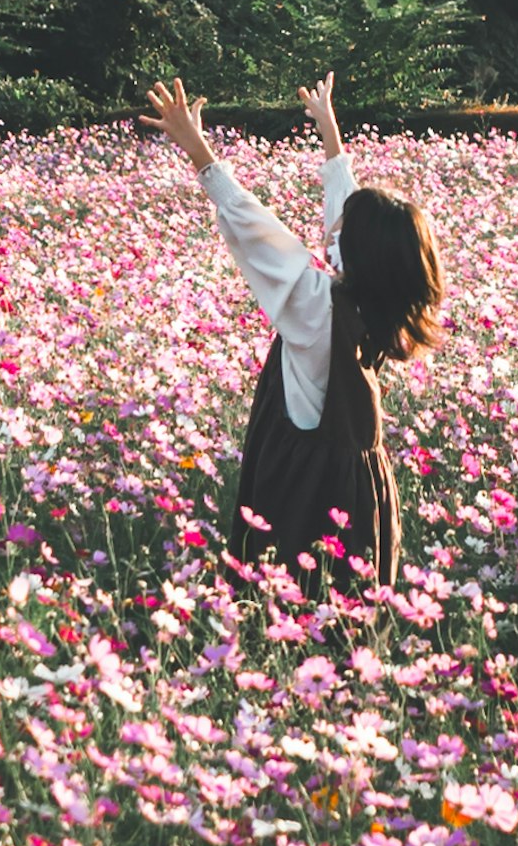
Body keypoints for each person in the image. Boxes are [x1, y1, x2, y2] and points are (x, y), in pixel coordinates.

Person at [140, 70, 446, 587]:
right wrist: (330, 134)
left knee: (293, 587)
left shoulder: (318, 305)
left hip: (305, 478)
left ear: (355, 252)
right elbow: (347, 213)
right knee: (348, 597)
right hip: (361, 482)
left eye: (342, 231)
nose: (332, 230)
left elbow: (254, 226)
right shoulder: (376, 303)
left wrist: (199, 150)